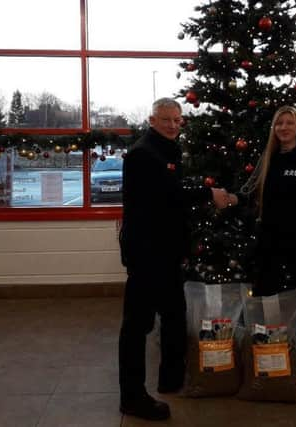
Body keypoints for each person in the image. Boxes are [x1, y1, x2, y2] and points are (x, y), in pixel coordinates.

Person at [118, 98, 230, 421]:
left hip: (166, 253)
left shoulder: (169, 149)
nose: (171, 125)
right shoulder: (143, 154)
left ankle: (170, 379)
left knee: (173, 314)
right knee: (137, 325)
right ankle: (132, 396)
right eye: (165, 119)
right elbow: (168, 194)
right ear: (152, 120)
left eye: (176, 120)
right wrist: (209, 194)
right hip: (146, 254)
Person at [231, 105, 296, 396]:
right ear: (274, 129)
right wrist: (229, 199)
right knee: (266, 309)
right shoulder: (270, 159)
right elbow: (250, 195)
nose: (284, 128)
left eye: (289, 123)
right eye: (279, 124)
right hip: (269, 246)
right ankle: (270, 375)